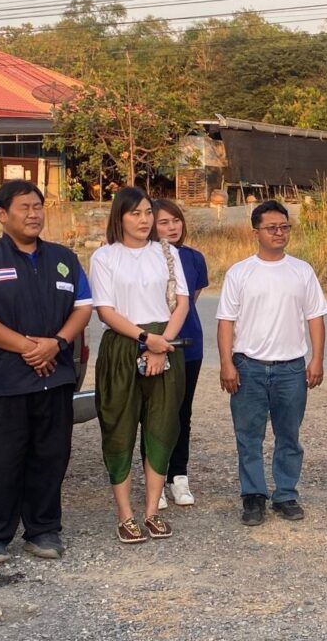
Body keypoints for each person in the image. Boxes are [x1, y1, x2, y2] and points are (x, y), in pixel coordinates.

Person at [0, 180, 93, 566]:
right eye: (24, 208)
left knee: (50, 456)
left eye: (38, 207)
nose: (34, 214)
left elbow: (83, 307)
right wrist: (31, 348)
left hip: (53, 378)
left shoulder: (63, 258)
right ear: (2, 214)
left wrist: (57, 344)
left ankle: (43, 530)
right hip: (0, 383)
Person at [216, 200, 327, 526]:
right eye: (271, 228)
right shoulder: (240, 272)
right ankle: (253, 496)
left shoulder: (302, 271)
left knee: (289, 435)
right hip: (248, 366)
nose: (279, 233)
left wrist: (317, 359)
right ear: (256, 232)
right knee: (248, 436)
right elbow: (226, 322)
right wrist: (226, 363)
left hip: (291, 368)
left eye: (284, 227)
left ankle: (285, 495)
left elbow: (315, 317)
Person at [89, 187, 189, 544]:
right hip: (123, 344)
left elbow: (181, 303)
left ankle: (151, 512)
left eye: (148, 212)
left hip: (166, 343)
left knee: (162, 425)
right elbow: (105, 310)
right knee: (119, 425)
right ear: (120, 216)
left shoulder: (168, 253)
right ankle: (125, 515)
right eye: (135, 213)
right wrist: (147, 340)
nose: (144, 220)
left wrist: (162, 344)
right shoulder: (105, 257)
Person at [153, 199, 209, 508]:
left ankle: (179, 476)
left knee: (181, 414)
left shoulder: (194, 258)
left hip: (188, 346)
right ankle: (155, 480)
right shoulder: (145, 259)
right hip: (151, 345)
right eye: (164, 222)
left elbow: (190, 300)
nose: (172, 227)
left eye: (176, 220)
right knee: (154, 415)